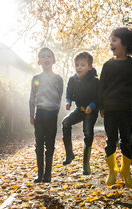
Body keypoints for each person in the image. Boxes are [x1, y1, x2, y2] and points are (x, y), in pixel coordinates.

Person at [99, 27, 132, 187]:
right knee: (111, 140)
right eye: (111, 40)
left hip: (126, 110)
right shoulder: (107, 65)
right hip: (110, 109)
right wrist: (101, 105)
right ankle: (112, 171)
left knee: (126, 141)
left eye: (114, 40)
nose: (111, 43)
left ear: (125, 43)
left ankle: (125, 171)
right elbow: (101, 87)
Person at [29, 47, 63, 183]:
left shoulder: (58, 79)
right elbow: (32, 98)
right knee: (39, 144)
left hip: (52, 114)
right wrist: (32, 114)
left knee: (50, 143)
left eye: (49, 56)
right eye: (43, 57)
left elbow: (59, 97)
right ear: (39, 62)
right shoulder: (36, 79)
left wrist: (55, 112)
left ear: (54, 60)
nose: (46, 59)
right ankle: (40, 174)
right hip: (40, 113)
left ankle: (48, 174)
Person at [62, 52, 99, 175]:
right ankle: (69, 154)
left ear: (90, 67)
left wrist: (92, 106)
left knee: (87, 132)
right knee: (65, 122)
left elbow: (99, 97)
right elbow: (68, 93)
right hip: (79, 109)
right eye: (77, 65)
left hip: (91, 110)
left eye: (83, 65)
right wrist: (68, 102)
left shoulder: (95, 82)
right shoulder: (72, 80)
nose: (79, 67)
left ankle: (86, 164)